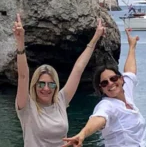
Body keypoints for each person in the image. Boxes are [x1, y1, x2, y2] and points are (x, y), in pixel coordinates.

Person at [14, 12, 105, 147]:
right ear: (34, 85)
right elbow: (23, 75)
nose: (46, 88)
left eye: (51, 84)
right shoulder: (26, 106)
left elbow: (78, 69)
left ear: (56, 87)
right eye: (41, 84)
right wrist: (20, 43)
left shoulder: (60, 101)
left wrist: (95, 38)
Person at [62, 28, 146, 147]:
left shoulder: (126, 90)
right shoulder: (107, 105)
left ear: (121, 79)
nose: (110, 84)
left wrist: (132, 47)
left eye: (113, 79)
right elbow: (98, 118)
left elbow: (130, 71)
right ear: (101, 89)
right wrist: (82, 134)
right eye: (104, 83)